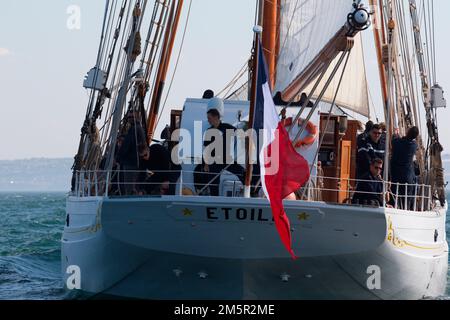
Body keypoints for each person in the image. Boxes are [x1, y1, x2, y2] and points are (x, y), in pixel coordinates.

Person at [201, 97, 245, 196]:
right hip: (214, 161)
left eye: (209, 118)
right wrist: (206, 164)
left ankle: (249, 191)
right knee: (213, 181)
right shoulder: (209, 132)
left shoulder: (227, 127)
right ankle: (214, 197)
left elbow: (240, 134)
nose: (208, 120)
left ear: (216, 117)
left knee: (242, 172)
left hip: (227, 159)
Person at [116, 111, 146, 195]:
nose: (130, 119)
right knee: (132, 186)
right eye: (129, 117)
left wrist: (118, 158)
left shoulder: (134, 129)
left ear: (137, 117)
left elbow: (126, 145)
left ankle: (129, 201)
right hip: (136, 162)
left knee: (129, 188)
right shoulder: (139, 128)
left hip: (131, 163)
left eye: (132, 117)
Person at [390, 126, 419, 210]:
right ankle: (407, 210)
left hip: (396, 175)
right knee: (407, 199)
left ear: (408, 131)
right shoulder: (414, 145)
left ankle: (393, 208)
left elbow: (394, 141)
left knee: (394, 196)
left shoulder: (397, 142)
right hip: (408, 176)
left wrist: (395, 133)